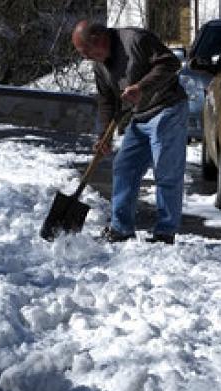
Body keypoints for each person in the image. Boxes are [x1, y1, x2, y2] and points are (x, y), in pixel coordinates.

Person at [71, 20, 188, 244]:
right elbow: (106, 100)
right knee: (124, 167)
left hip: (167, 108)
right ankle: (120, 228)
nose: (85, 58)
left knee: (165, 170)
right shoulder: (100, 65)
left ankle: (165, 232)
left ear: (98, 39)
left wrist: (141, 87)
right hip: (141, 116)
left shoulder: (136, 40)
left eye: (85, 52)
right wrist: (103, 136)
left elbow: (171, 63)